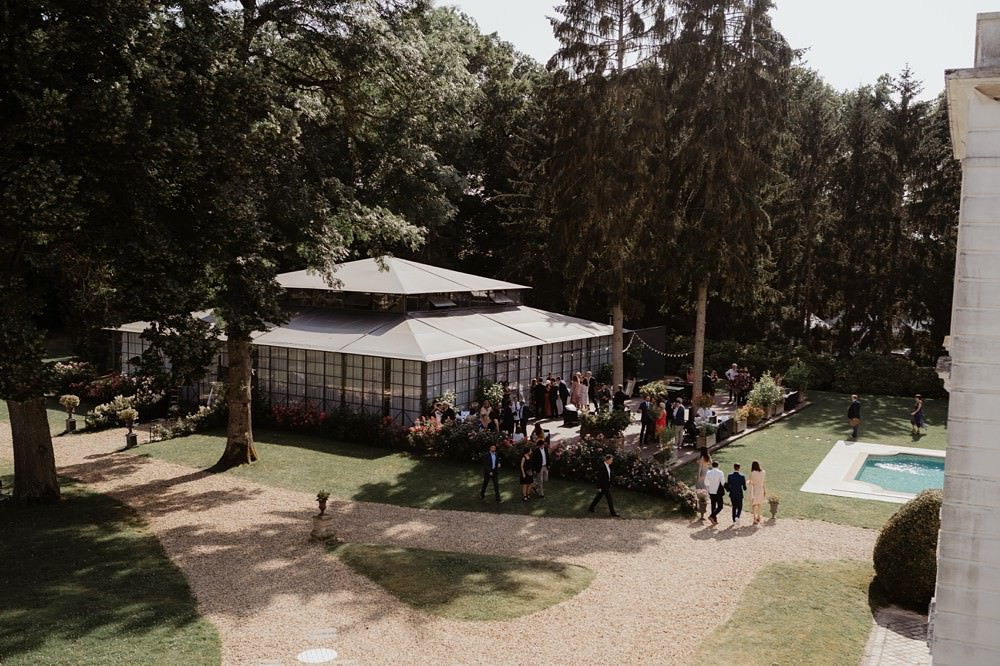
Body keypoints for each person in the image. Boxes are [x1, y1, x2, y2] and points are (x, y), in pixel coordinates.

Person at [704, 460, 725, 525]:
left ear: (712, 465)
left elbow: (706, 482)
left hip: (711, 491)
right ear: (718, 465)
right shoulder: (720, 472)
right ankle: (712, 516)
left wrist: (710, 485)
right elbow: (723, 482)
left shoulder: (708, 472)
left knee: (713, 506)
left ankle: (714, 520)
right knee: (720, 506)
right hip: (718, 492)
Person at [531, 432, 550, 497]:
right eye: (541, 445)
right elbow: (533, 461)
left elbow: (547, 457)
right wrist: (534, 469)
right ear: (539, 445)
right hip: (539, 467)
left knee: (545, 479)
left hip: (545, 466)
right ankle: (541, 494)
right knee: (540, 481)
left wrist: (548, 464)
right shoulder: (536, 451)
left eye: (543, 445)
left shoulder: (545, 449)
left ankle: (534, 486)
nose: (542, 446)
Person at [748, 460, 767, 525]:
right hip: (761, 489)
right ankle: (759, 516)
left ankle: (754, 518)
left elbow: (750, 482)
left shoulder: (752, 473)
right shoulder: (763, 472)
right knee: (759, 503)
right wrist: (765, 490)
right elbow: (763, 482)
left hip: (755, 489)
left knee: (754, 504)